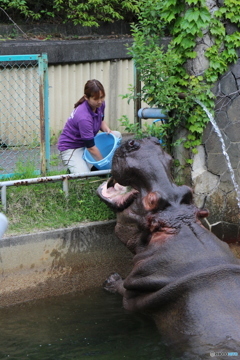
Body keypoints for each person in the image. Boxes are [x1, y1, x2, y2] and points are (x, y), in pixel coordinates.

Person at [58, 79, 121, 174]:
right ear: (86, 97)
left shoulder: (100, 104)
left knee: (116, 135)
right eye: (96, 99)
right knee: (84, 176)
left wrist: (107, 129)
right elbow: (91, 147)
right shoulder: (83, 117)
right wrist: (104, 166)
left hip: (87, 142)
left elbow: (100, 119)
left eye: (102, 97)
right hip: (72, 148)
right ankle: (78, 167)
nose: (100, 101)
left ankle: (93, 165)